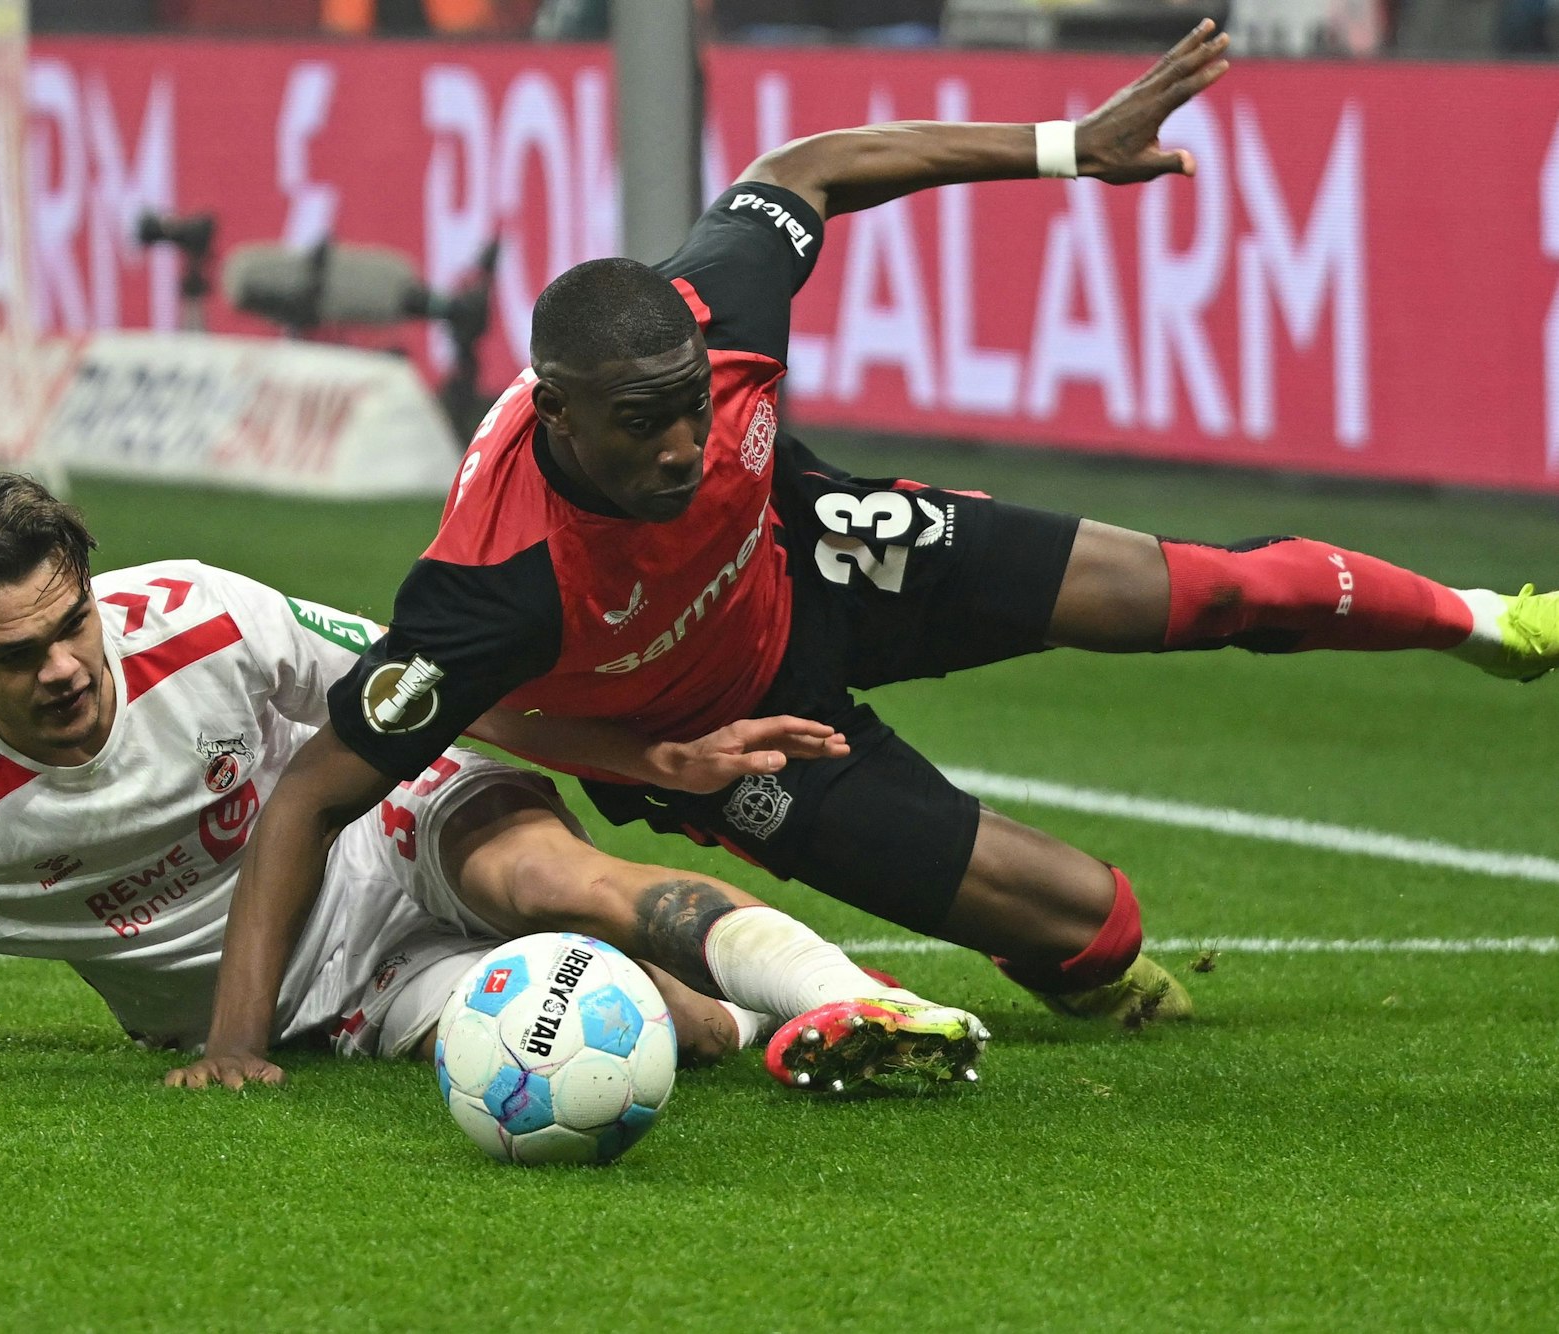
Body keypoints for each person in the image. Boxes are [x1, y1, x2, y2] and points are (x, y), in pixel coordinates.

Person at [173, 18, 1559, 1091]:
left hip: (818, 553)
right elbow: (313, 793)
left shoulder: (721, 315)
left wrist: (1066, 147)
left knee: (1199, 590)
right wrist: (237, 1038)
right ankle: (1088, 976)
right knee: (1092, 926)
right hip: (731, 728)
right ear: (556, 410)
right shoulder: (490, 582)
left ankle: (1485, 618)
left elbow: (802, 170)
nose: (681, 445)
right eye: (643, 425)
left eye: (692, 407)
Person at [0, 475, 987, 1091]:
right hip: (344, 1003)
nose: (64, 667)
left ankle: (857, 995)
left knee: (555, 877)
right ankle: (776, 1021)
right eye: (14, 654)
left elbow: (428, 686)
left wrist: (641, 759)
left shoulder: (202, 613)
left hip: (392, 824)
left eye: (71, 623)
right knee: (664, 1033)